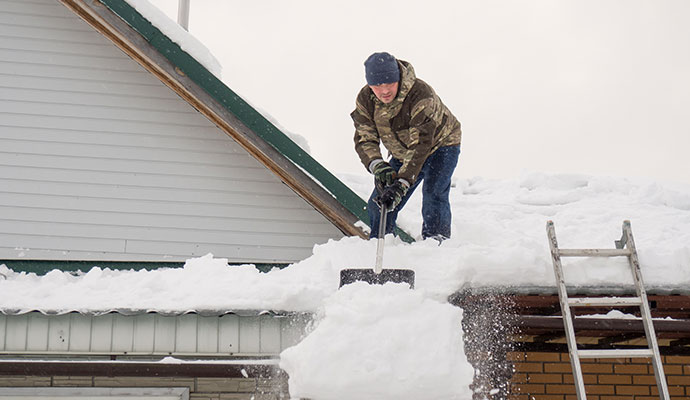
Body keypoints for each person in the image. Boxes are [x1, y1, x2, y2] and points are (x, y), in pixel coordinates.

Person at [351, 52, 462, 242]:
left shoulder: (420, 94)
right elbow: (365, 136)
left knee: (433, 194)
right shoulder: (365, 100)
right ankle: (383, 244)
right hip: (402, 152)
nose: (384, 91)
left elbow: (421, 144)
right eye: (377, 86)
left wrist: (402, 183)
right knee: (380, 202)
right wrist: (377, 165)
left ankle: (436, 245)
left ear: (398, 78)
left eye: (389, 84)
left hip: (440, 146)